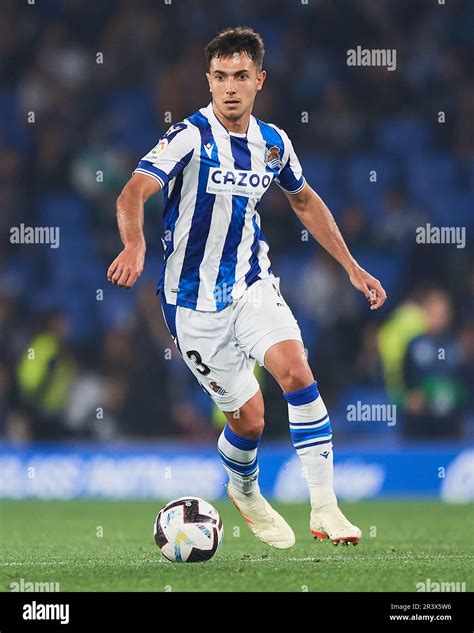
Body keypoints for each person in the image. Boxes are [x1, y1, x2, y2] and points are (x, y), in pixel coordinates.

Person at [107, 27, 387, 548]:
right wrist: (135, 244)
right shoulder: (189, 137)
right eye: (219, 77)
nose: (229, 87)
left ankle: (324, 506)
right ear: (208, 81)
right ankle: (245, 490)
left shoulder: (274, 143)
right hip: (191, 305)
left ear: (259, 80)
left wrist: (351, 266)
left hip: (251, 284)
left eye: (240, 77)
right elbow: (131, 193)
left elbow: (304, 201)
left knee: (296, 371)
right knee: (250, 420)